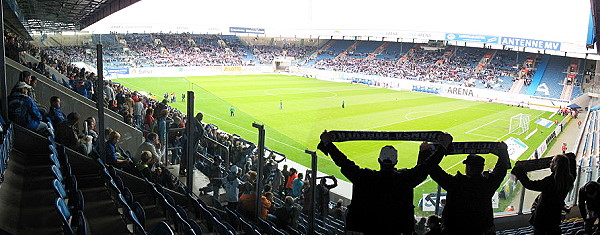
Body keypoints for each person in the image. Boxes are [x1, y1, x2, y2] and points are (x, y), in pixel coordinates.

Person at [317, 131, 453, 234]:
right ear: (396, 162)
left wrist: (328, 144)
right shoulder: (404, 179)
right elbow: (425, 167)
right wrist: (442, 147)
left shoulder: (365, 177)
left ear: (379, 161)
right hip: (397, 230)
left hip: (369, 229)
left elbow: (344, 163)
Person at [428, 142, 510, 234]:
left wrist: (427, 153)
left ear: (469, 168)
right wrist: (503, 151)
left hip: (455, 230)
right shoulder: (488, 183)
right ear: (481, 168)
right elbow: (502, 169)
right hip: (481, 229)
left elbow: (433, 170)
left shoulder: (456, 183)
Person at [511, 155, 574, 235]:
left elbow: (530, 184)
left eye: (552, 162)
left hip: (542, 217)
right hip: (555, 216)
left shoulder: (550, 181)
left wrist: (520, 170)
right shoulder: (569, 180)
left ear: (556, 165)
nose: (550, 164)